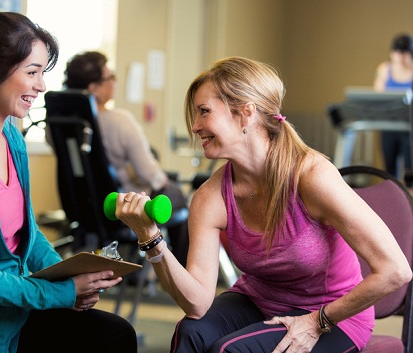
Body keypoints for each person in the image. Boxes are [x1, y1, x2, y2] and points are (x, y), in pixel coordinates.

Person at [114, 56, 412, 352]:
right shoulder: (210, 197)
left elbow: (395, 271)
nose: (194, 126)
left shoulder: (312, 176)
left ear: (246, 113)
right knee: (191, 331)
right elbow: (196, 304)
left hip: (332, 315)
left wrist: (316, 321)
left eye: (204, 112)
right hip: (259, 302)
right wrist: (151, 238)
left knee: (230, 350)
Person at [0, 1, 137, 352]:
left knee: (114, 335)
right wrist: (63, 292)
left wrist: (68, 276)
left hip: (13, 318)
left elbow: (28, 234)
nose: (41, 86)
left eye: (42, 73)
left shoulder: (11, 139)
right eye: (32, 72)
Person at [62, 50, 189, 266]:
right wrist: (162, 180)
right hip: (124, 204)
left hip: (83, 207)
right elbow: (147, 172)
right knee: (178, 196)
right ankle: (182, 269)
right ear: (93, 89)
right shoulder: (120, 120)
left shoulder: (62, 124)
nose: (115, 81)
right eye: (109, 77)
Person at [373, 33, 413, 178]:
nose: (401, 57)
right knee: (389, 170)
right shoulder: (385, 69)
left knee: (410, 172)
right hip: (388, 126)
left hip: (409, 128)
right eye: (398, 52)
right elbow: (378, 95)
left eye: (405, 52)